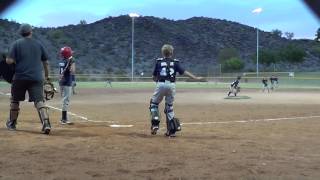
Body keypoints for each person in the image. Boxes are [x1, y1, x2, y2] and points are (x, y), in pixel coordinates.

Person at [5, 23, 51, 134]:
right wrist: (47, 76)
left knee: (15, 100)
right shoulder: (39, 44)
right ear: (31, 32)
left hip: (20, 77)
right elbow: (46, 62)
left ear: (21, 33)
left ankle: (12, 123)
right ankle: (46, 123)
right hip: (36, 77)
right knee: (39, 101)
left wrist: (17, 61)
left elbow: (8, 61)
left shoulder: (16, 44)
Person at [149, 44, 202, 137]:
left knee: (154, 104)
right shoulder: (175, 62)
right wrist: (195, 77)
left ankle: (155, 124)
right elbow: (184, 72)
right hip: (172, 85)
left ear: (162, 53)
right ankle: (172, 131)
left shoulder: (158, 62)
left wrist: (158, 82)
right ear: (172, 53)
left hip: (161, 84)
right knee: (169, 107)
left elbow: (153, 77)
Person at [59, 46, 75, 125]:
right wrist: (72, 63)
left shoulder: (62, 61)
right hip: (66, 82)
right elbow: (72, 71)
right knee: (66, 100)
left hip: (62, 81)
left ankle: (64, 118)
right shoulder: (68, 62)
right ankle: (64, 119)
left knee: (64, 99)